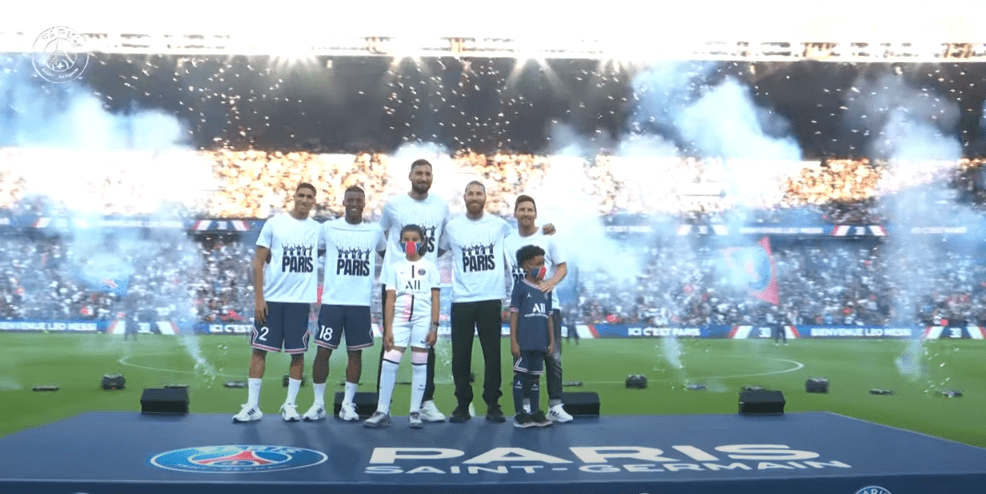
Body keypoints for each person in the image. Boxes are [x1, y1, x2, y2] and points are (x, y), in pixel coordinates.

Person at [233, 183, 320, 423]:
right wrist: (259, 298)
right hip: (271, 300)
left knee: (298, 354)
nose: (304, 200)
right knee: (259, 351)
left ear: (314, 201)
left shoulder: (318, 230)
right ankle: (252, 406)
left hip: (300, 302)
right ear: (294, 197)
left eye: (309, 197)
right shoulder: (274, 224)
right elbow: (258, 262)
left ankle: (290, 405)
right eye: (301, 195)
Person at [302, 186, 386, 422]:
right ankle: (318, 403)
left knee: (355, 355)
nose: (354, 203)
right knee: (322, 352)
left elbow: (387, 256)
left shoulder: (374, 231)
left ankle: (348, 404)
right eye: (350, 199)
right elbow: (311, 255)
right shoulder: (328, 228)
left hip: (360, 304)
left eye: (359, 200)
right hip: (332, 302)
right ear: (343, 201)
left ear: (364, 202)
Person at [376, 159, 450, 423]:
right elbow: (379, 236)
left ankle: (425, 402)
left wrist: (424, 263)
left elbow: (442, 244)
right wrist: (396, 262)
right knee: (389, 343)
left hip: (424, 284)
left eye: (427, 173)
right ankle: (382, 405)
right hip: (396, 283)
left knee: (425, 345)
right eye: (419, 172)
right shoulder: (395, 204)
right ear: (409, 175)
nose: (423, 176)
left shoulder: (441, 205)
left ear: (432, 177)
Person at [439, 181, 512, 423]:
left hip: (491, 299)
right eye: (470, 193)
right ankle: (462, 403)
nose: (474, 196)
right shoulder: (452, 227)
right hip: (462, 300)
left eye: (478, 193)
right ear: (464, 197)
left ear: (485, 197)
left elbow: (520, 242)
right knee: (461, 356)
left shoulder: (499, 226)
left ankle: (493, 404)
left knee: (493, 356)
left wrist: (547, 231)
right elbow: (436, 251)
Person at [504, 195, 573, 423]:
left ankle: (555, 405)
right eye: (521, 209)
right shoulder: (507, 241)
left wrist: (551, 283)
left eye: (529, 209)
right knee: (524, 362)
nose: (525, 213)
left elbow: (562, 268)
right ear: (515, 213)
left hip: (548, 307)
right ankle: (524, 409)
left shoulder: (548, 238)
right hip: (522, 310)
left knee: (552, 357)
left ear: (535, 213)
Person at [364, 224, 441, 428]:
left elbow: (435, 299)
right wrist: (387, 329)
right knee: (389, 364)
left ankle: (415, 411)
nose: (410, 243)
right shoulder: (394, 267)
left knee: (419, 365)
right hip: (399, 320)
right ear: (400, 242)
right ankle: (382, 410)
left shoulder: (431, 267)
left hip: (422, 321)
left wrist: (434, 326)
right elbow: (389, 300)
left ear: (422, 241)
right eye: (406, 239)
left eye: (414, 239)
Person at [509, 245, 555, 428]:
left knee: (535, 378)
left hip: (540, 343)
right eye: (538, 264)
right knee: (520, 377)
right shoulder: (520, 288)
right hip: (524, 343)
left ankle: (535, 412)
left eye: (544, 263)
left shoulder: (546, 289)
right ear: (526, 266)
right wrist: (513, 341)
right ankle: (520, 414)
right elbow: (514, 316)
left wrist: (551, 341)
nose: (542, 267)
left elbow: (549, 317)